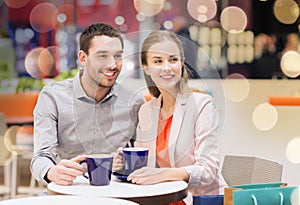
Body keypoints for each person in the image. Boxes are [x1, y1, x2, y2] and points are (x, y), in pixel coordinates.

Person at [114, 30, 227, 204]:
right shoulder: (146, 111)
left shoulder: (202, 104)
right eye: (158, 61)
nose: (167, 67)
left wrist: (162, 174)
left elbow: (208, 170)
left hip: (196, 199)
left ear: (181, 63)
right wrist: (124, 164)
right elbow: (145, 167)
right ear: (146, 67)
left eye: (173, 59)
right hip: (159, 199)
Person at [30, 22, 145, 186]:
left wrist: (125, 164)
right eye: (102, 56)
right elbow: (41, 157)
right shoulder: (53, 97)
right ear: (83, 58)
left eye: (118, 56)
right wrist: (51, 172)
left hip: (116, 192)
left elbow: (140, 156)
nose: (113, 65)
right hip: (69, 190)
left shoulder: (134, 101)